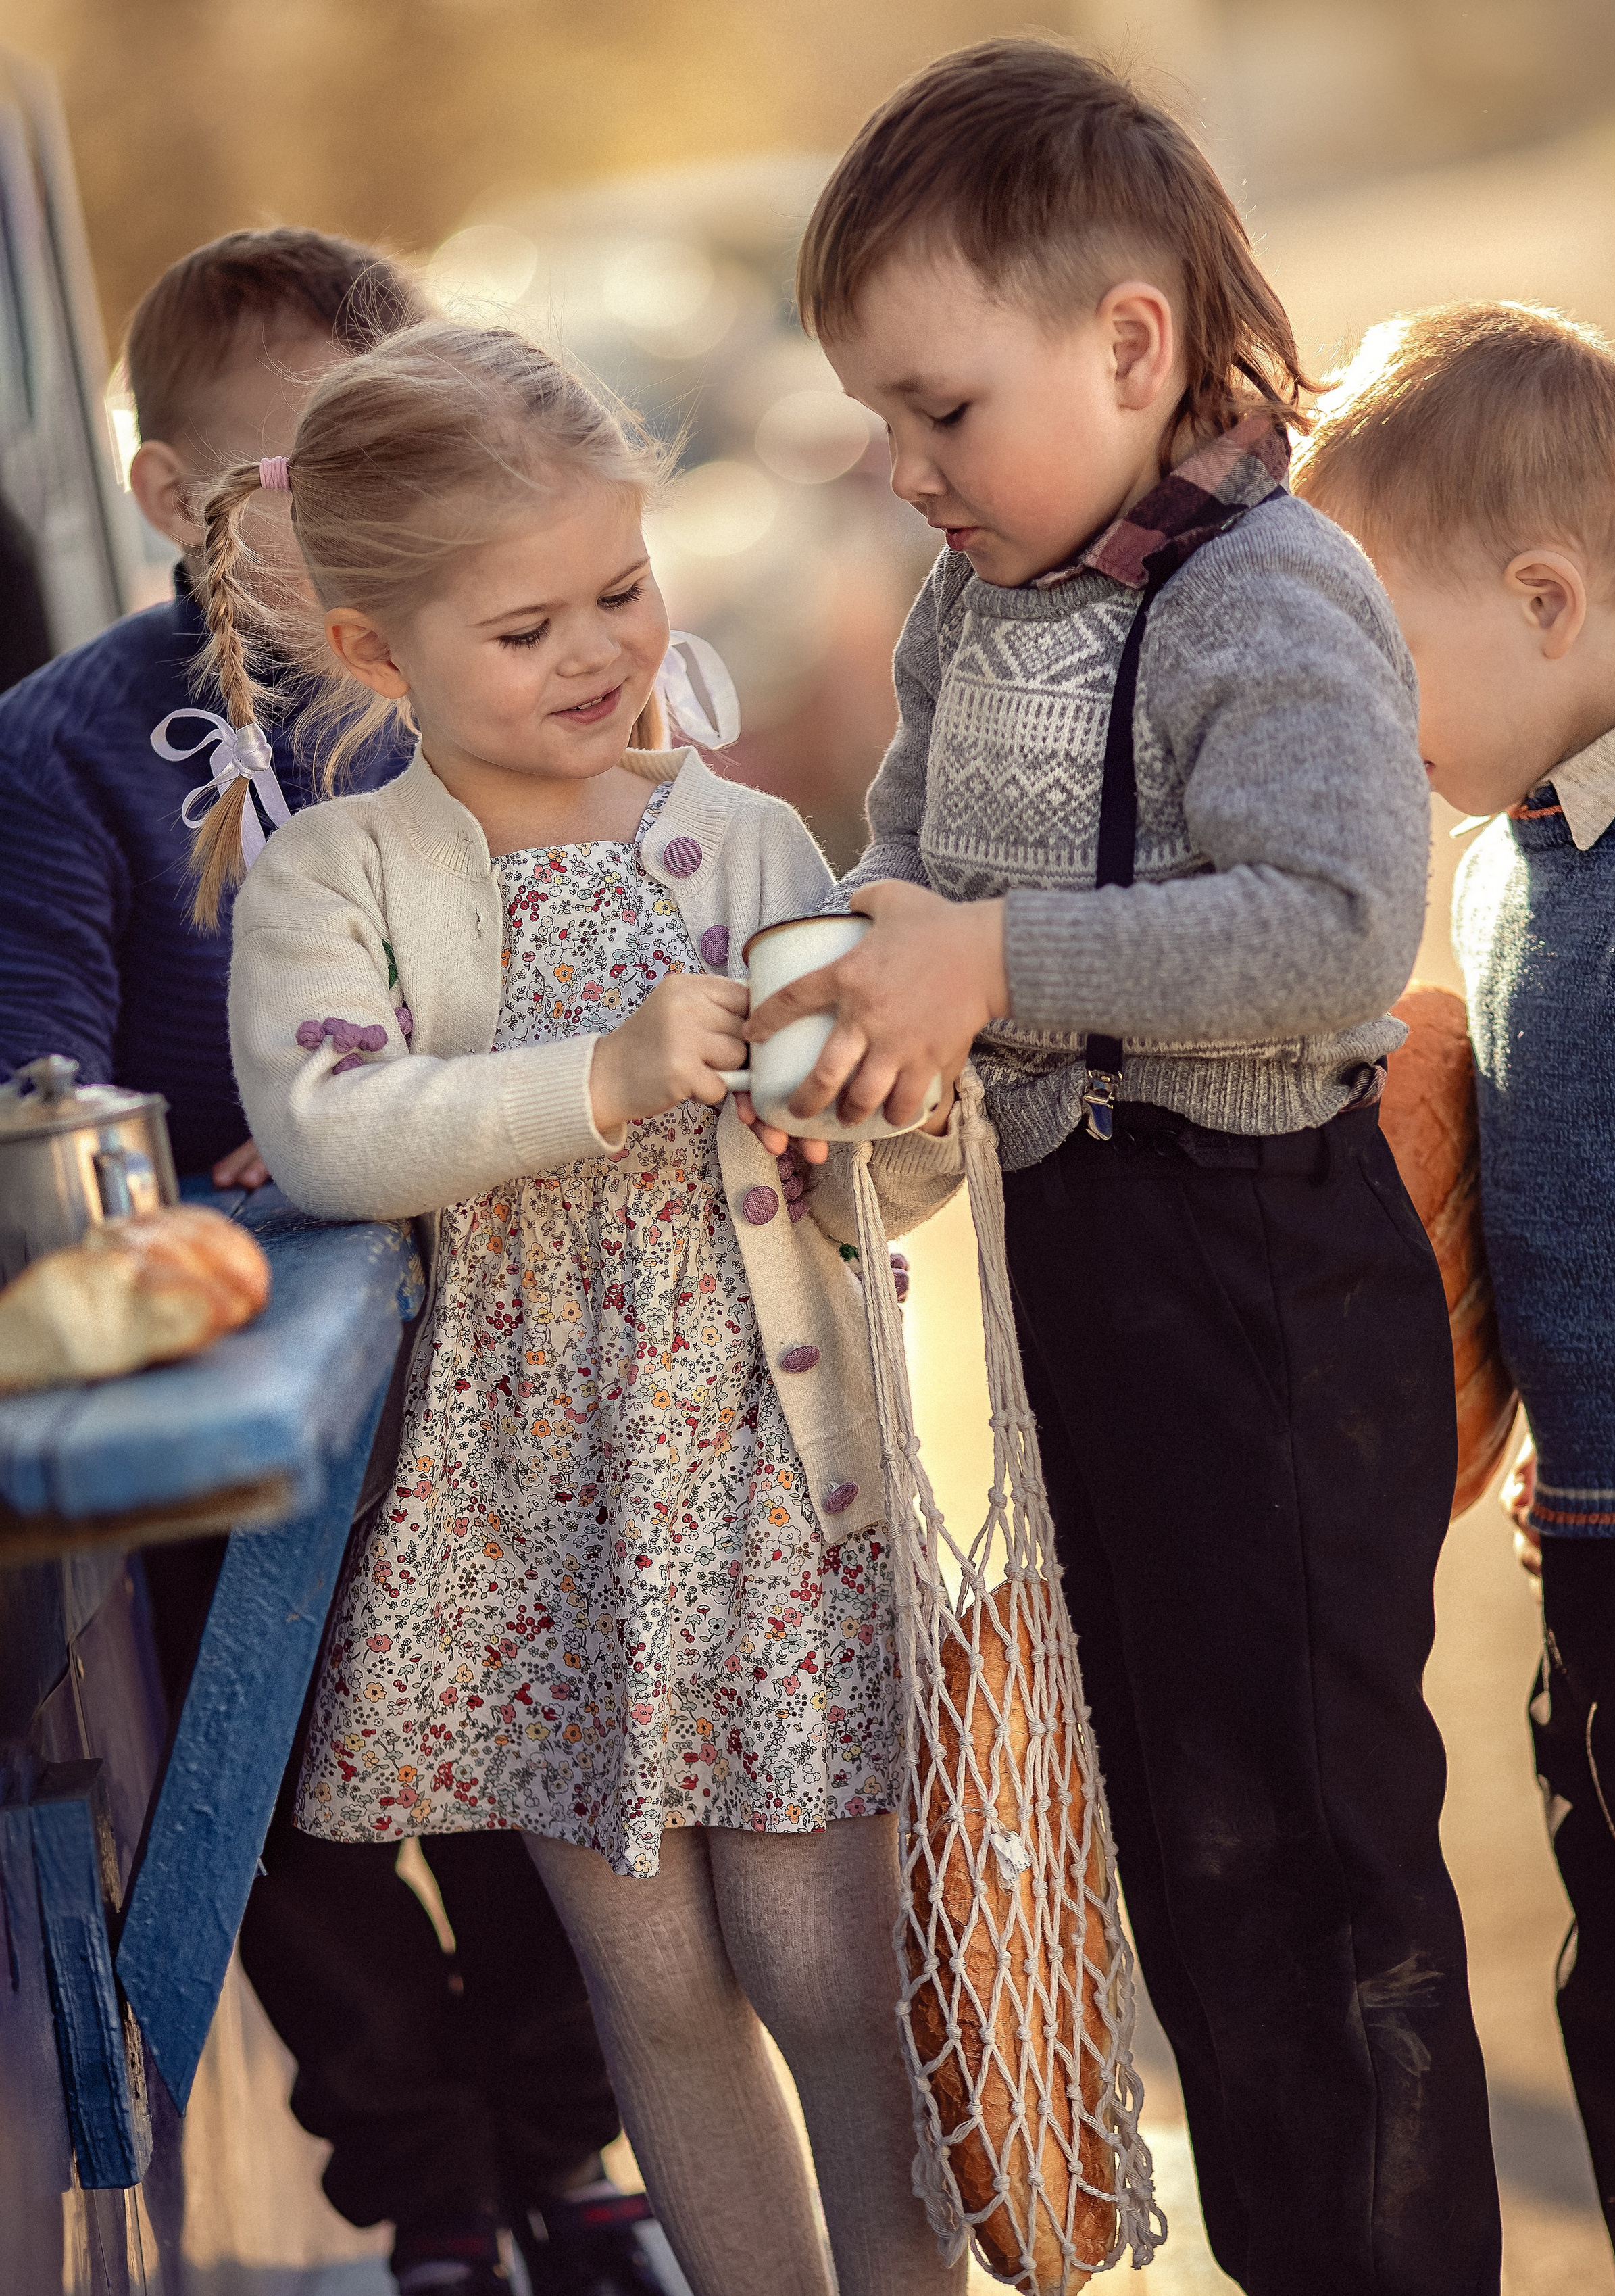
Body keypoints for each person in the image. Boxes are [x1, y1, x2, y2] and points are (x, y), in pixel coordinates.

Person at [741, 39, 1504, 2293]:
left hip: (1265, 1285)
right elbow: (912, 858)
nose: (901, 471)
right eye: (876, 420)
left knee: (1316, 1869)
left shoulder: (1269, 594)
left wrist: (995, 964)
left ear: (1131, 344)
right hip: (1082, 1282)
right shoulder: (984, 607)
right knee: (1191, 1852)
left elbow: (1330, 930)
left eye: (940, 411)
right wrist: (862, 978)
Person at [212, 316, 968, 2296]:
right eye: (527, 626)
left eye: (622, 594)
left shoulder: (741, 843)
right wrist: (606, 1078)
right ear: (379, 656)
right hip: (526, 1507)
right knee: (652, 1979)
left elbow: (882, 1150)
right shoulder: (338, 879)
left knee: (824, 1961)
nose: (599, 655)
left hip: (762, 1480)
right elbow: (327, 1130)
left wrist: (886, 1098)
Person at [0, 229, 647, 2296]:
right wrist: (183, 1176)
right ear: (172, 499)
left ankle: (578, 2151)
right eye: (313, 473)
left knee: (544, 1772)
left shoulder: (474, 699)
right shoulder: (66, 750)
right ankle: (432, 2195)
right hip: (259, 1374)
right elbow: (43, 1073)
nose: (381, 515)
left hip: (504, 1354)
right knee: (283, 1812)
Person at [1296, 299, 1615, 2295]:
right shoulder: (1512, 847)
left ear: (1545, 596)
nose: (1352, 717)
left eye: (1371, 659)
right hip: (1607, 1559)